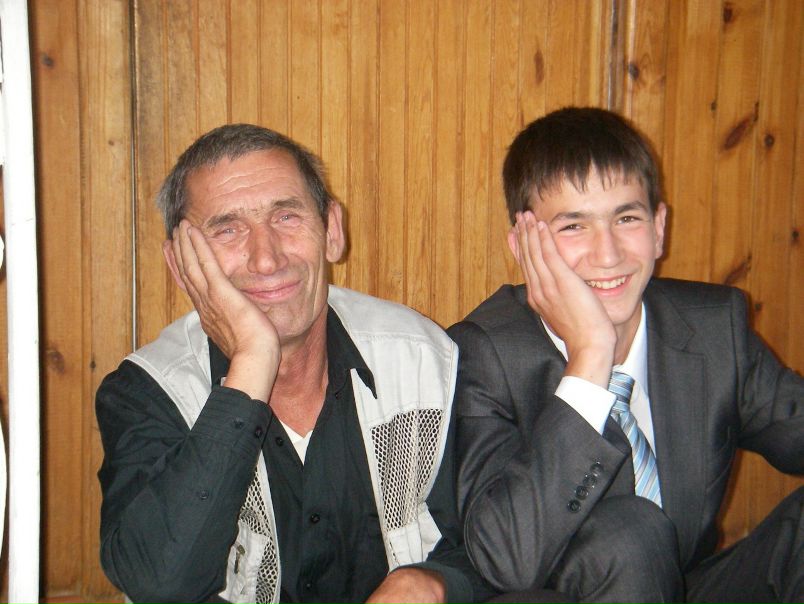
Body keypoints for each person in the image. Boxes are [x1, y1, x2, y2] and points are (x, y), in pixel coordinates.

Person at [96, 124, 492, 604]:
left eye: (286, 217)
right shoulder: (148, 391)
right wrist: (251, 363)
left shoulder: (424, 359)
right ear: (182, 265)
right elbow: (159, 583)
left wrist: (432, 581)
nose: (266, 259)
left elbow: (494, 543)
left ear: (332, 231)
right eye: (227, 229)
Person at [449, 107, 803, 604]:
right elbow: (506, 558)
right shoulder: (486, 352)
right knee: (629, 535)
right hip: (571, 596)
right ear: (523, 245)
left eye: (627, 218)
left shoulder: (711, 328)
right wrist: (591, 357)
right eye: (574, 226)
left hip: (687, 588)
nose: (608, 254)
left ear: (659, 227)